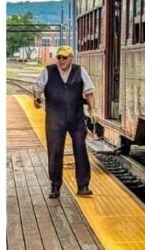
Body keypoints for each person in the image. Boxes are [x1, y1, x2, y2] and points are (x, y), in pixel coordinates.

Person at [31, 45, 96, 199]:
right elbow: (37, 88)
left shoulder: (80, 71)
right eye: (59, 57)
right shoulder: (48, 71)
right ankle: (55, 186)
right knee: (55, 151)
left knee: (80, 149)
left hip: (76, 118)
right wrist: (36, 98)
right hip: (55, 119)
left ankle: (83, 186)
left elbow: (89, 92)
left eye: (64, 57)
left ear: (71, 58)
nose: (60, 60)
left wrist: (93, 110)